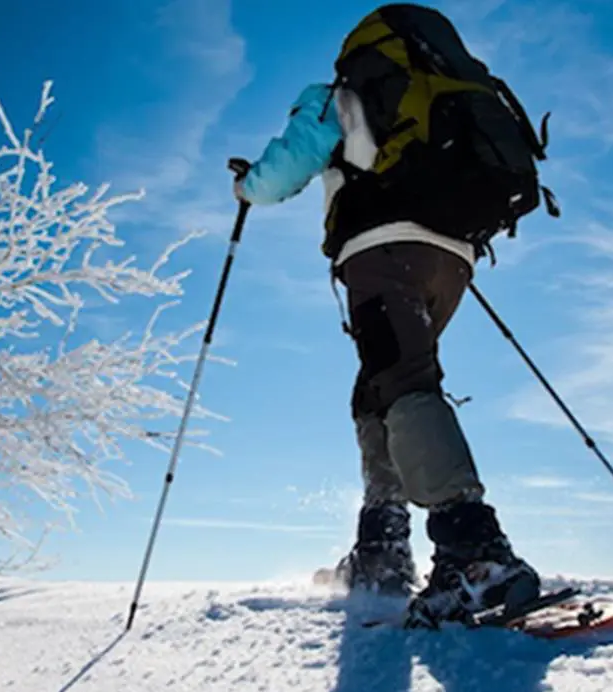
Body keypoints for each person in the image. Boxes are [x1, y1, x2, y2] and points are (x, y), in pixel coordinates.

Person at [232, 4, 552, 628]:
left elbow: (281, 175)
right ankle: (382, 548)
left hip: (382, 251)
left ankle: (473, 552)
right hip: (454, 255)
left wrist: (247, 186)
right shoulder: (441, 94)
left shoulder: (339, 97)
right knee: (378, 386)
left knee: (403, 380)